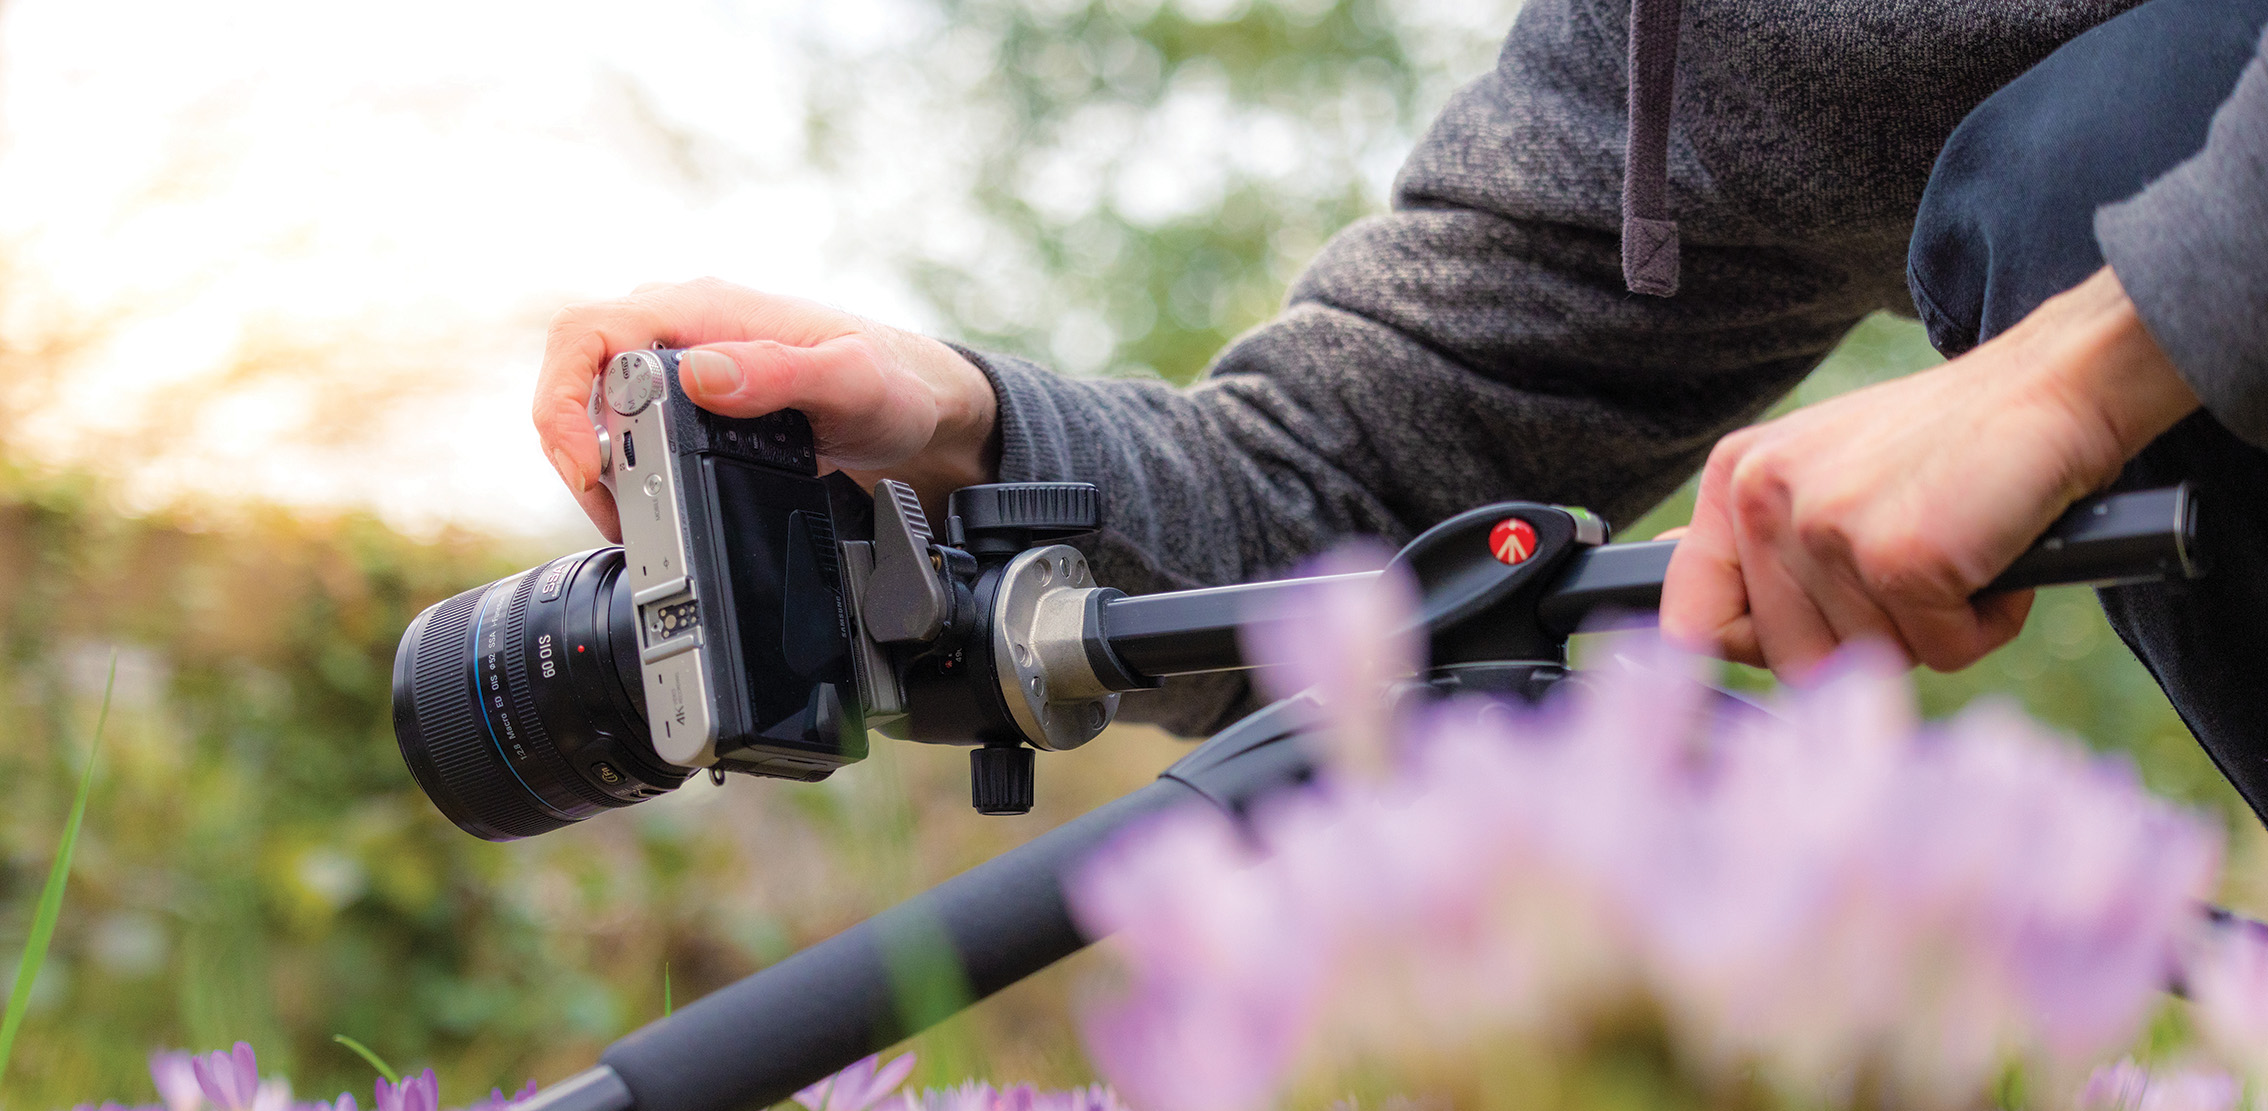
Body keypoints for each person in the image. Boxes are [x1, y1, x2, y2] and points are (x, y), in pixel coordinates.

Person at [530, 0, 2268, 807]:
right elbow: (1346, 499)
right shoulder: (1696, 57)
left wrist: (2105, 343)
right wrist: (962, 421)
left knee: (2107, 159)